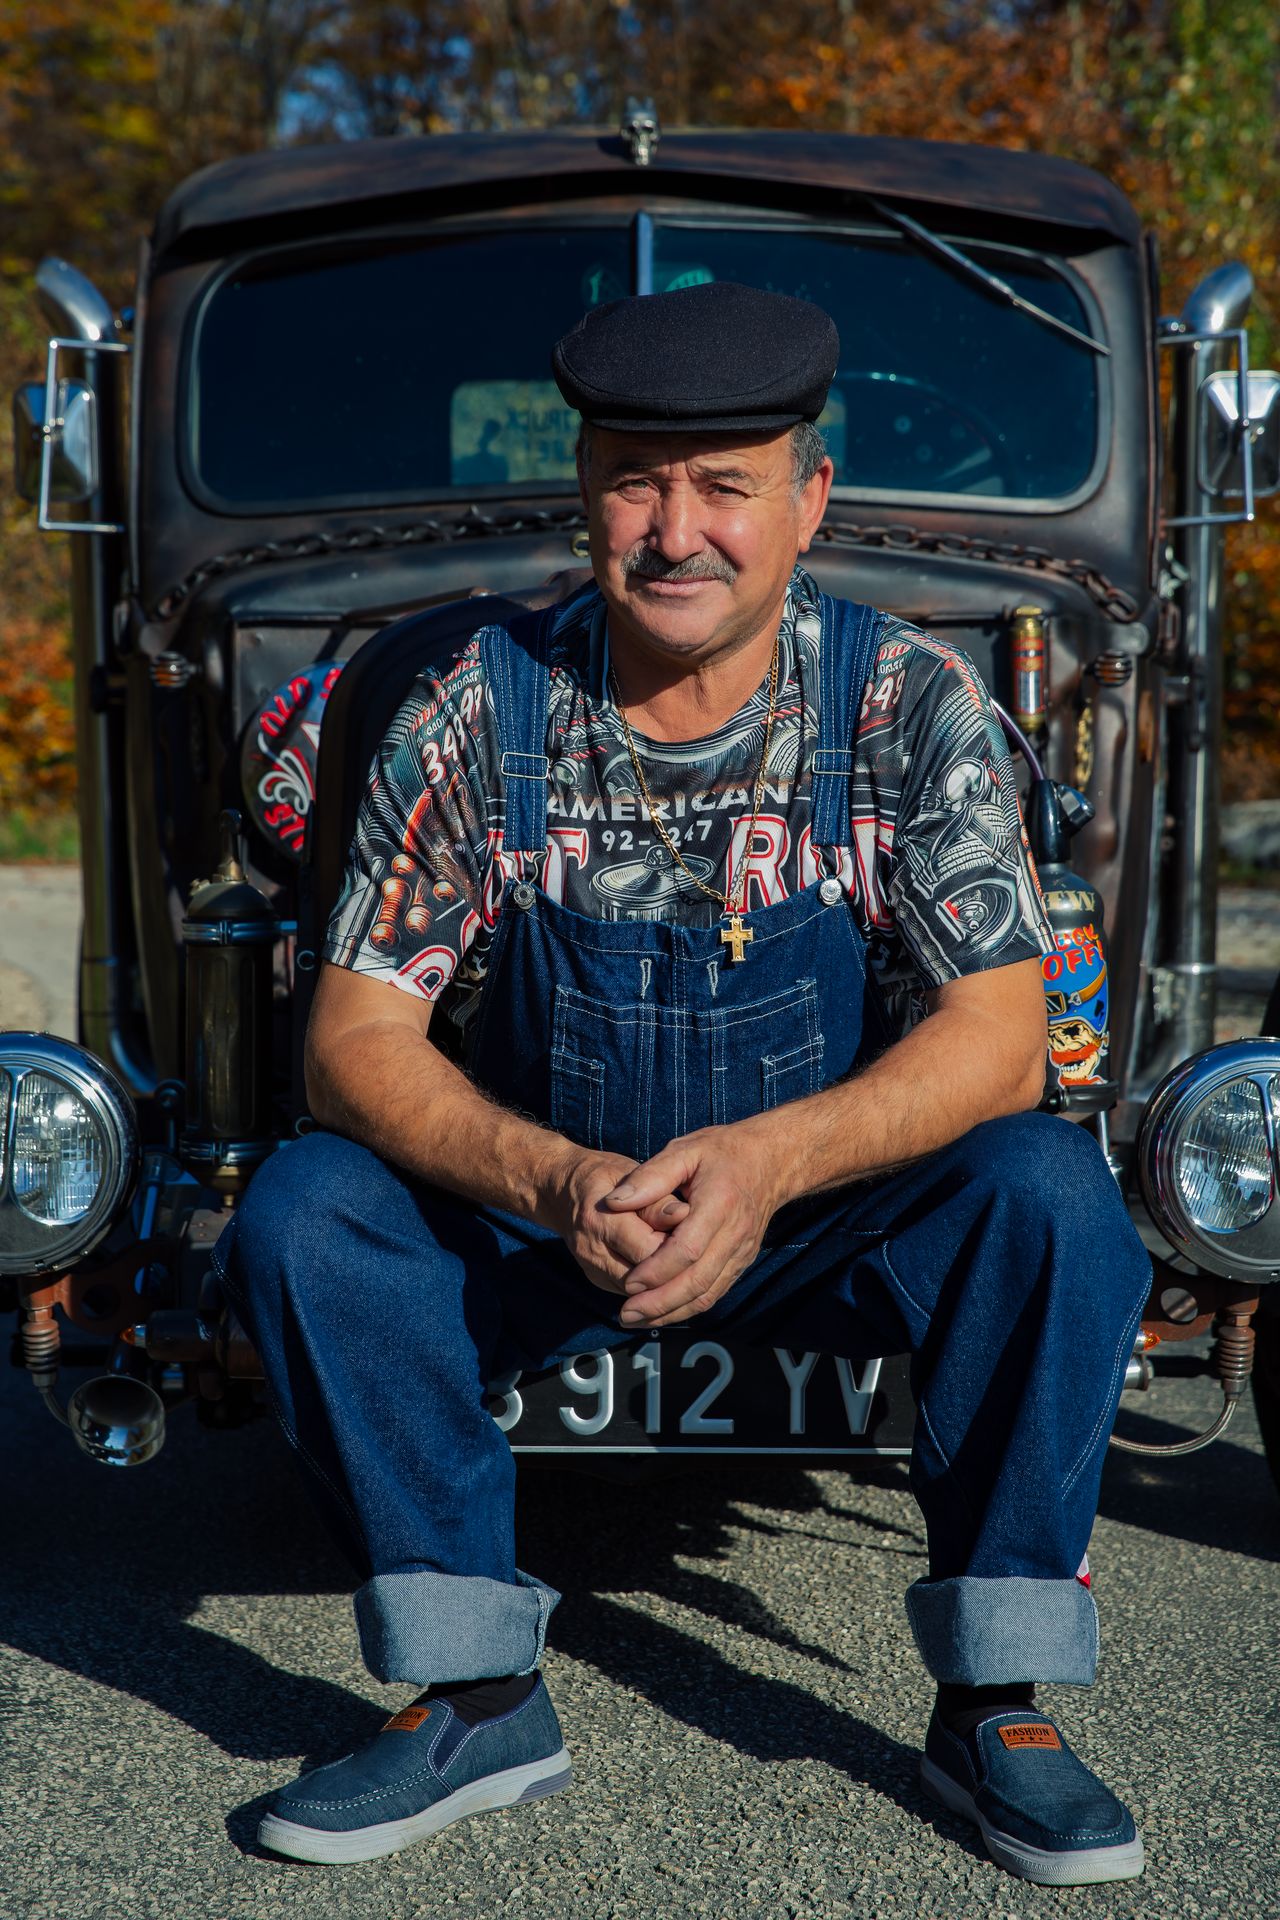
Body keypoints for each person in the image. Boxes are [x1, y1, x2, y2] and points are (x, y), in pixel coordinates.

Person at [216, 281, 1151, 1885]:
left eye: (725, 484)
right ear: (583, 494)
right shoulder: (469, 714)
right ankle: (473, 1690)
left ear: (809, 502)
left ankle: (1002, 1702)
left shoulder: (905, 707)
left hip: (816, 1221)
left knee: (1052, 1194)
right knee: (307, 1214)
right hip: (543, 1223)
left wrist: (773, 1165)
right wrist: (559, 1182)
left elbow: (1002, 1032)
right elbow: (353, 1045)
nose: (677, 531)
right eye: (638, 480)